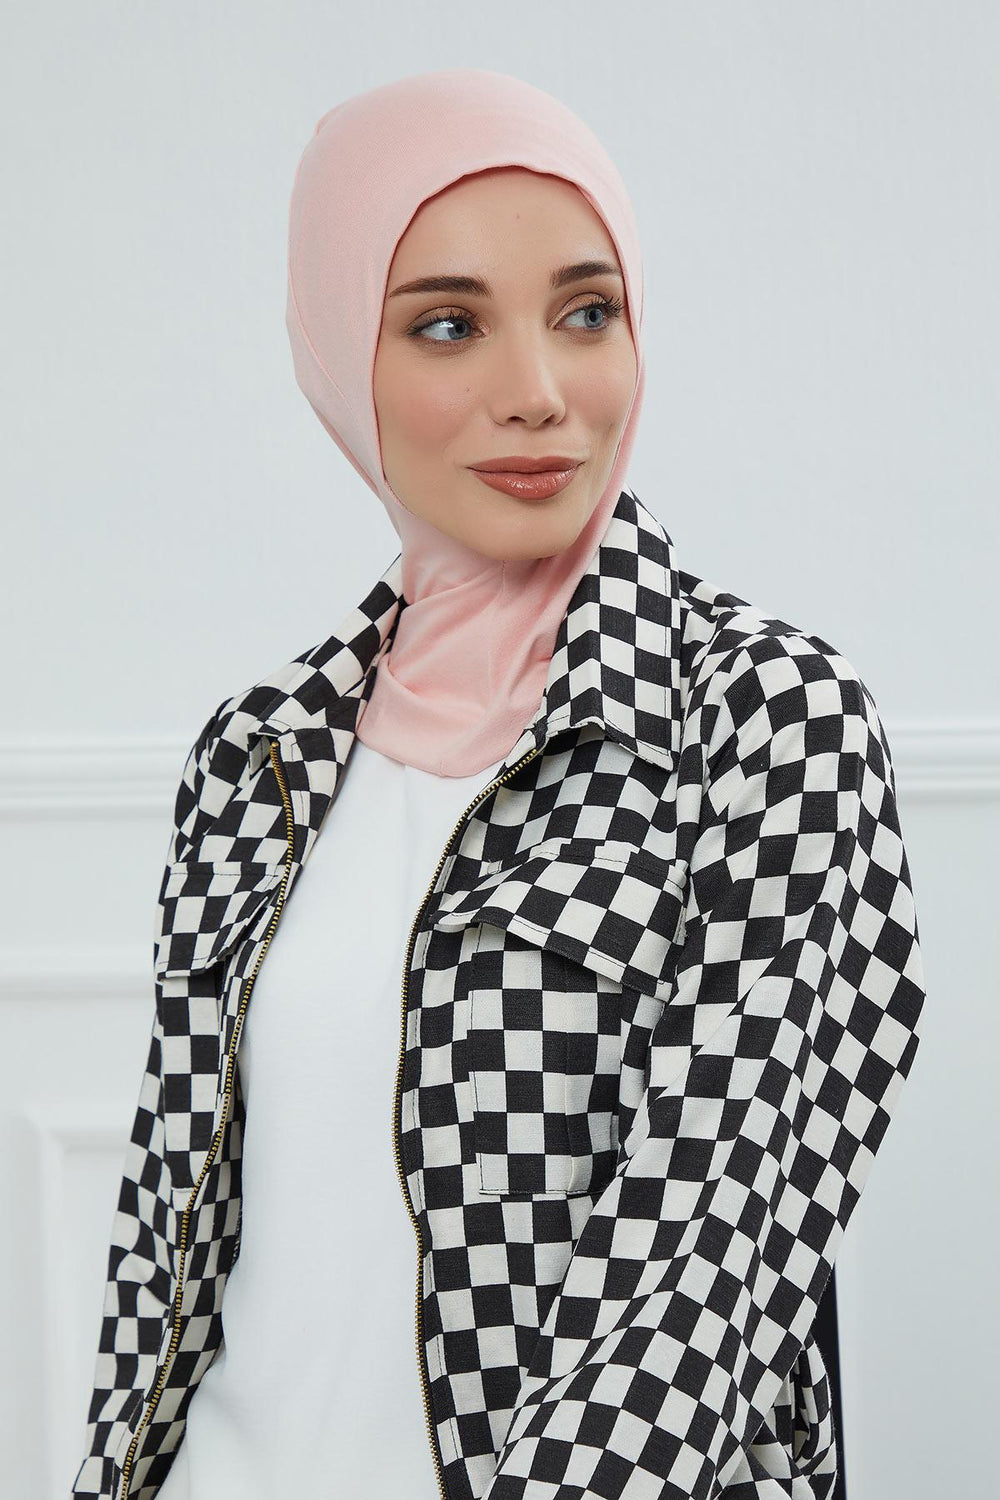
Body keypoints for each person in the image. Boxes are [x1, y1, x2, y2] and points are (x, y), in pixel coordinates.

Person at [70, 68, 926, 1500]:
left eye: (587, 313)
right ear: (337, 352)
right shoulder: (256, 751)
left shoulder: (767, 721)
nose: (538, 393)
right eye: (449, 325)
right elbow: (168, 1248)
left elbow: (704, 1272)